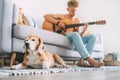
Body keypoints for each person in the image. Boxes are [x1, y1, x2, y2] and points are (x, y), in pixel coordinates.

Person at [43, 0, 104, 67]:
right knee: (74, 34)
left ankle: (83, 61)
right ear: (68, 9)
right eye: (72, 11)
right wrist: (58, 22)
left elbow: (78, 37)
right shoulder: (62, 16)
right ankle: (89, 59)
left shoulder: (78, 21)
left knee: (92, 37)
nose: (74, 13)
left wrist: (84, 30)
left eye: (75, 11)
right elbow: (46, 16)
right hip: (65, 37)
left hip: (73, 38)